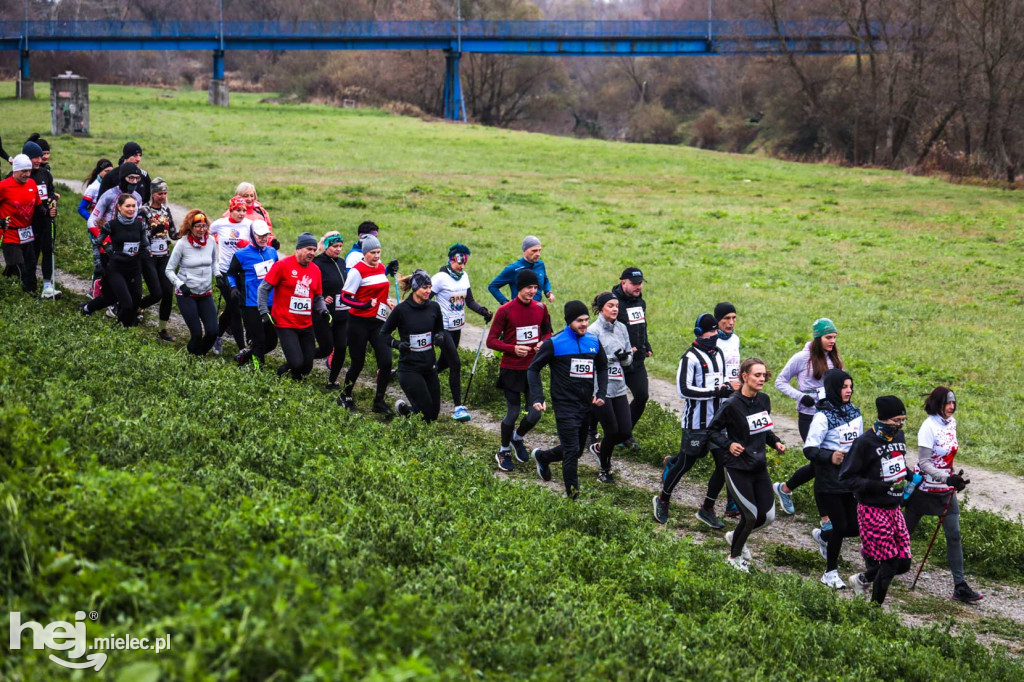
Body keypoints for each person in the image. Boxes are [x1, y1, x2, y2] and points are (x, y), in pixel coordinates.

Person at [653, 313, 734, 527]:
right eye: (710, 331)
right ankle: (662, 499)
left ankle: (707, 507)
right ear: (699, 333)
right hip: (696, 423)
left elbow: (721, 380)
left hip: (717, 423)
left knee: (724, 465)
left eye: (716, 331)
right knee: (685, 464)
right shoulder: (689, 358)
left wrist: (726, 388)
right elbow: (683, 390)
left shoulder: (718, 354)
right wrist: (714, 392)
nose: (714, 335)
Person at [904, 387, 982, 603]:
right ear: (937, 403)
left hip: (945, 491)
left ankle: (960, 586)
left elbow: (948, 456)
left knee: (954, 536)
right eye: (947, 403)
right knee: (904, 533)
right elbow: (924, 463)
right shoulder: (928, 427)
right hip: (924, 490)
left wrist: (954, 479)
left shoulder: (952, 423)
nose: (951, 407)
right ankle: (878, 566)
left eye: (953, 402)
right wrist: (945, 478)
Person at [708, 358, 786, 572]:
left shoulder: (764, 400)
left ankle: (736, 537)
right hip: (736, 467)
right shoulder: (731, 404)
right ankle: (733, 558)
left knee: (768, 517)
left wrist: (776, 441)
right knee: (750, 516)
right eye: (757, 375)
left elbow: (764, 430)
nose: (762, 379)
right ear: (744, 376)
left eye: (764, 375)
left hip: (758, 467)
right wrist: (729, 444)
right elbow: (712, 431)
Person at [529, 300, 608, 499]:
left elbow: (603, 367)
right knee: (572, 451)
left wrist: (601, 393)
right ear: (569, 321)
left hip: (586, 405)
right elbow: (533, 368)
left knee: (577, 450)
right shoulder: (555, 343)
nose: (584, 324)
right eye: (579, 320)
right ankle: (573, 499)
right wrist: (538, 396)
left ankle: (543, 457)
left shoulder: (593, 341)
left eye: (586, 320)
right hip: (564, 405)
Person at [839, 396, 913, 605]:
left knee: (904, 562)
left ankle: (863, 579)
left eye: (902, 420)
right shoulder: (864, 443)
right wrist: (873, 485)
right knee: (889, 562)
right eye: (896, 420)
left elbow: (897, 465)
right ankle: (874, 609)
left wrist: (910, 476)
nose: (899, 425)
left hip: (894, 507)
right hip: (872, 508)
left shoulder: (900, 437)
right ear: (883, 419)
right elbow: (846, 477)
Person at [772, 318, 843, 523]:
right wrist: (801, 396)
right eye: (828, 337)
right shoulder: (801, 358)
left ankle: (785, 488)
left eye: (834, 337)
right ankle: (826, 519)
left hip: (830, 417)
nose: (832, 341)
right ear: (817, 337)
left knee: (822, 463)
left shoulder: (834, 357)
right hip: (809, 417)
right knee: (821, 464)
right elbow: (780, 381)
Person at [486, 269, 553, 471]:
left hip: (532, 369)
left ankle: (518, 438)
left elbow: (548, 332)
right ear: (518, 288)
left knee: (536, 413)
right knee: (513, 413)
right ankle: (503, 450)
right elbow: (491, 341)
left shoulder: (541, 308)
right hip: (511, 368)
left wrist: (543, 342)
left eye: (535, 287)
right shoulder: (505, 310)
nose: (532, 291)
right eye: (528, 288)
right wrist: (513, 348)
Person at [804, 369, 863, 589]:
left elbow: (859, 444)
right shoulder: (822, 416)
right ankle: (830, 573)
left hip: (850, 480)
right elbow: (809, 450)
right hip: (829, 481)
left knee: (856, 527)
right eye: (843, 387)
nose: (848, 391)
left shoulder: (855, 412)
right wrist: (831, 456)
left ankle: (824, 535)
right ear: (832, 389)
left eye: (850, 386)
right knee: (840, 526)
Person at [336, 234, 398, 413]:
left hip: (378, 322)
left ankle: (379, 401)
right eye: (373, 253)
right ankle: (345, 395)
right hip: (358, 323)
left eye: (378, 252)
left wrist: (386, 301)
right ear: (365, 253)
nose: (377, 256)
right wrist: (363, 305)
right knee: (358, 363)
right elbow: (346, 298)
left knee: (386, 361)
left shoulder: (380, 267)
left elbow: (378, 289)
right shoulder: (357, 270)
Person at [431, 243, 492, 422]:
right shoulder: (440, 278)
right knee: (455, 363)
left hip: (457, 327)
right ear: (451, 260)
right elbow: (424, 297)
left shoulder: (464, 276)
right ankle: (458, 407)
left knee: (443, 363)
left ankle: (419, 375)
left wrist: (483, 311)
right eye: (459, 263)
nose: (462, 266)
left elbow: (470, 301)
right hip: (442, 329)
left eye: (464, 263)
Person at [258, 232, 328, 381]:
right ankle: (279, 377)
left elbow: (317, 297)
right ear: (298, 249)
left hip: (305, 324)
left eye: (314, 250)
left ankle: (293, 384)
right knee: (296, 363)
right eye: (308, 249)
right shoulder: (282, 265)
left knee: (307, 366)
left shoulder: (315, 270)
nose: (311, 253)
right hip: (285, 323)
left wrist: (323, 310)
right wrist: (264, 311)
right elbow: (263, 288)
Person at [383, 269, 445, 422]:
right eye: (425, 288)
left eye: (430, 287)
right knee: (426, 414)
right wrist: (398, 344)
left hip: (429, 366)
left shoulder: (434, 307)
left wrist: (439, 337)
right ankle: (409, 414)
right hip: (410, 368)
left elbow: (440, 329)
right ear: (416, 288)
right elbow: (383, 334)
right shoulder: (401, 310)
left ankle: (404, 410)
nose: (428, 291)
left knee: (433, 414)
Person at [586, 292, 633, 483]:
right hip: (601, 388)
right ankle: (604, 470)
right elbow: (589, 362)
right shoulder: (593, 331)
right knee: (612, 430)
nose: (615, 309)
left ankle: (599, 448)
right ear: (601, 308)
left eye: (616, 306)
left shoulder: (622, 328)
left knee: (625, 431)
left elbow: (629, 359)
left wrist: (624, 358)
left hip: (619, 385)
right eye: (610, 306)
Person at [82, 194, 149, 327]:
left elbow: (146, 244)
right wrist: (98, 265)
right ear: (119, 207)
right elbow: (97, 243)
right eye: (127, 206)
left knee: (134, 300)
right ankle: (88, 310)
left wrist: (144, 252)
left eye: (133, 206)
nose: (131, 209)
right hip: (116, 268)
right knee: (124, 302)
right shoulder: (111, 225)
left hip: (134, 268)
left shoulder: (139, 225)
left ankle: (124, 327)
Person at [165, 210, 219, 355]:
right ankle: (192, 355)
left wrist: (218, 275)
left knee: (213, 331)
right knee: (196, 334)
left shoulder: (211, 241)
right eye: (198, 226)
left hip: (205, 293)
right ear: (190, 227)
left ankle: (199, 355)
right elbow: (169, 270)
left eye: (204, 226)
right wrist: (180, 285)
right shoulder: (182, 244)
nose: (202, 230)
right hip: (187, 294)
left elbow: (214, 263)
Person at [226, 220, 279, 370]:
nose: (263, 238)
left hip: (270, 302)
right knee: (258, 340)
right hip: (250, 303)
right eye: (260, 235)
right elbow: (230, 274)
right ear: (252, 235)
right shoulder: (241, 255)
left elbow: (278, 273)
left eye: (266, 235)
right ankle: (257, 369)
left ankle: (245, 356)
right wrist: (233, 287)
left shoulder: (272, 252)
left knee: (272, 342)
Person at [88, 162, 143, 299]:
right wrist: (105, 241)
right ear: (123, 177)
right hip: (108, 242)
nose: (134, 182)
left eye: (137, 179)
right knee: (108, 279)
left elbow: (137, 222)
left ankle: (118, 305)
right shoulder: (109, 195)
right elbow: (92, 220)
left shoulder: (138, 198)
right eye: (131, 178)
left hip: (127, 244)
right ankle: (97, 293)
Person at [611, 267, 653, 442]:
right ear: (623, 283)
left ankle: (625, 433)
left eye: (640, 283)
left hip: (636, 360)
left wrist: (646, 345)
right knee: (606, 399)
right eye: (635, 284)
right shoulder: (612, 304)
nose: (638, 287)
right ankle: (591, 431)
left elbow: (641, 325)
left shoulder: (639, 302)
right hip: (617, 361)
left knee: (642, 395)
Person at [710, 301, 742, 519]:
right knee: (696, 452)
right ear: (717, 321)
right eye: (726, 320)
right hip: (713, 403)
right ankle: (673, 464)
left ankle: (732, 503)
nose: (730, 323)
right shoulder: (711, 341)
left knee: (730, 454)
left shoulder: (736, 339)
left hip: (732, 402)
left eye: (733, 318)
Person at [210, 196, 252, 355]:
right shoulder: (220, 224)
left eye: (244, 210)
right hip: (225, 272)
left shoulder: (249, 225)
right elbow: (206, 233)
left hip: (243, 272)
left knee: (232, 308)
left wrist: (247, 245)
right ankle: (242, 348)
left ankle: (216, 335)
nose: (241, 213)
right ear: (231, 210)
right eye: (238, 210)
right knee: (235, 309)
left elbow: (258, 242)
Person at [139, 177, 177, 342]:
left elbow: (174, 234)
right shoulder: (143, 211)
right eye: (160, 193)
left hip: (164, 256)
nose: (163, 196)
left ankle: (162, 329)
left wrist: (189, 230)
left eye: (165, 193)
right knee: (156, 293)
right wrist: (152, 233)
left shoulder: (166, 211)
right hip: (149, 257)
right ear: (153, 194)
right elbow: (140, 235)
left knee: (168, 292)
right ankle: (137, 307)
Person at [24, 138, 60, 299]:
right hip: (27, 222)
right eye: (35, 157)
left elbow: (51, 193)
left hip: (46, 221)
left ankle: (47, 285)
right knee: (31, 254)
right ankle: (29, 286)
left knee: (48, 250)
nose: (40, 160)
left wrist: (53, 204)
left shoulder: (45, 174)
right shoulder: (20, 175)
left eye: (41, 157)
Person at [312, 231, 349, 388]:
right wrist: (322, 297)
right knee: (326, 348)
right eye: (335, 246)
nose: (339, 249)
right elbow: (310, 285)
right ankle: (301, 356)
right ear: (327, 246)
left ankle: (332, 381)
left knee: (341, 348)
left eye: (340, 246)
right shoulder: (317, 263)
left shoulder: (342, 263)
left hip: (342, 313)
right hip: (324, 314)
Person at [0, 154, 41, 293]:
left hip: (26, 232)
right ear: (15, 170)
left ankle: (32, 290)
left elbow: (38, 205)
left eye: (29, 171)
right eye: (24, 171)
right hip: (9, 233)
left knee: (31, 264)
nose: (27, 174)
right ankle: (29, 294)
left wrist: (47, 211)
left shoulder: (32, 184)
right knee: (19, 265)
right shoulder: (4, 186)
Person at [488, 235, 554, 305]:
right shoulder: (513, 269)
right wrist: (505, 302)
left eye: (539, 250)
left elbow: (545, 280)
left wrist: (548, 292)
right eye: (534, 251)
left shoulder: (540, 264)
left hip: (536, 310)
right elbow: (492, 286)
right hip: (519, 311)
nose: (538, 254)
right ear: (524, 251)